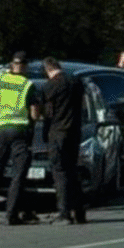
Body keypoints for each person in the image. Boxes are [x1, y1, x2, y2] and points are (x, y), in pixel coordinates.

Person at [0, 51, 40, 225]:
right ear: (25, 66)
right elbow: (35, 114)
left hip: (0, 130)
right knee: (18, 173)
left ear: (11, 65)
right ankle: (11, 214)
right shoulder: (28, 85)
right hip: (20, 131)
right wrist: (33, 121)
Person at [41, 56, 85, 225]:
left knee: (59, 172)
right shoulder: (76, 82)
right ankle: (79, 212)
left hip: (57, 132)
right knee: (73, 170)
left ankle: (64, 213)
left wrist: (45, 133)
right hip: (74, 131)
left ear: (47, 70)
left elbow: (47, 113)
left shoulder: (50, 86)